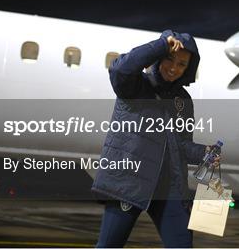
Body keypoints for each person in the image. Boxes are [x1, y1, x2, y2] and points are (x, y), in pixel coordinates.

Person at [92, 30, 217, 248]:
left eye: (181, 64)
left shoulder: (183, 101)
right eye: (169, 58)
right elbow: (119, 69)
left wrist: (204, 152)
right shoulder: (134, 85)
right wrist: (161, 45)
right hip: (129, 182)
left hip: (169, 189)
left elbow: (181, 144)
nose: (173, 68)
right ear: (159, 57)